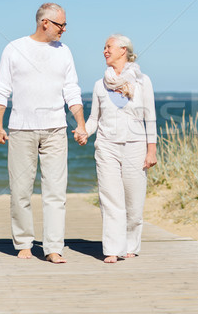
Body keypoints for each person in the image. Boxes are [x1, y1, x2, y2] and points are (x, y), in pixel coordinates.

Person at [0, 3, 87, 264]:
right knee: (21, 190)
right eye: (61, 25)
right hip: (21, 129)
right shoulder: (14, 48)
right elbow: (2, 89)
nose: (64, 30)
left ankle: (53, 247)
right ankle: (23, 243)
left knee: (56, 192)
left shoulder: (64, 52)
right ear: (45, 22)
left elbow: (72, 90)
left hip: (56, 129)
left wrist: (81, 123)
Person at [85, 34, 157, 263]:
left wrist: (151, 150)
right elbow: (93, 119)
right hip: (106, 147)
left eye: (108, 47)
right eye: (104, 47)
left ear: (123, 50)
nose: (104, 51)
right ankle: (112, 249)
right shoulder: (99, 85)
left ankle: (131, 244)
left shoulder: (143, 81)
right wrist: (83, 132)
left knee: (134, 205)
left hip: (135, 147)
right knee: (110, 200)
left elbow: (151, 118)